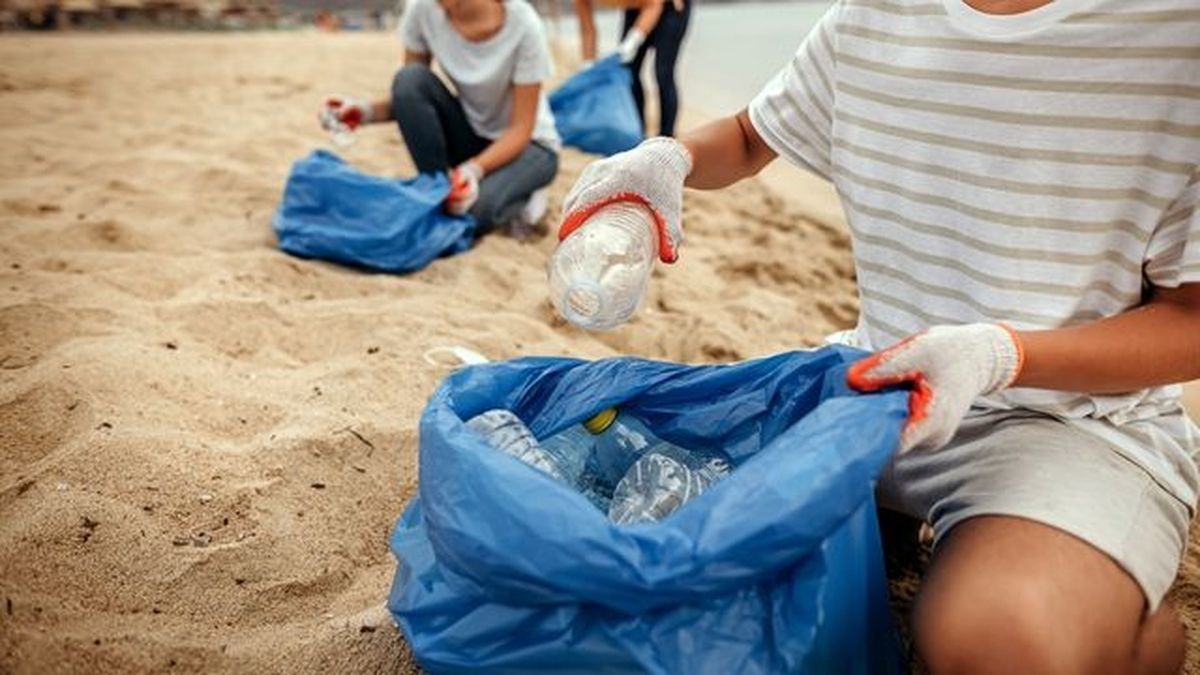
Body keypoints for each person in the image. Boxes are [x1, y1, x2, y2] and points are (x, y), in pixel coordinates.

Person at [558, 0, 1200, 672]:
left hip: (1071, 422)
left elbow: (1189, 320)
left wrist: (998, 355)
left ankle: (1128, 629)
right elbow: (749, 139)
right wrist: (671, 159)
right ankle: (894, 530)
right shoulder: (870, 13)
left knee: (991, 640)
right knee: (656, 518)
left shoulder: (1172, 34)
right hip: (879, 380)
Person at [319, 0, 559, 234]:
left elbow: (521, 129)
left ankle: (526, 196)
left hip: (530, 146)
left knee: (474, 213)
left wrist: (472, 171)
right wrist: (364, 112)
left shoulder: (522, 22)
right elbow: (409, 97)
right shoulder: (422, 10)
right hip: (472, 135)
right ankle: (437, 189)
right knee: (410, 77)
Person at [573, 0, 689, 137]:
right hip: (638, 7)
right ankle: (639, 136)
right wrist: (588, 66)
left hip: (671, 7)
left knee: (662, 72)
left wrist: (632, 41)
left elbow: (654, 4)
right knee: (629, 71)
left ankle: (667, 136)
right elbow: (587, 31)